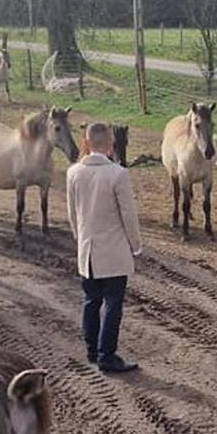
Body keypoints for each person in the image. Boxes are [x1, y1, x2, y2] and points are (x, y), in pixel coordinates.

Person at [66, 121, 143, 373]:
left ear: (86, 143)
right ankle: (107, 355)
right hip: (114, 251)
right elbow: (128, 215)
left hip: (87, 251)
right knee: (112, 303)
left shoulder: (73, 172)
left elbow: (72, 214)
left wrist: (80, 239)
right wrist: (136, 246)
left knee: (91, 300)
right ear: (111, 145)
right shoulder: (118, 174)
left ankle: (91, 349)